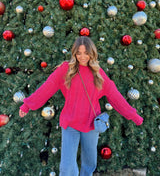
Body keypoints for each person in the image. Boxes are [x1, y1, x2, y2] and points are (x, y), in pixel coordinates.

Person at [19, 36, 143, 176]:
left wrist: (133, 115)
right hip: (70, 123)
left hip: (91, 125)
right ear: (74, 54)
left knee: (89, 165)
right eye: (79, 53)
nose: (82, 57)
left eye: (86, 53)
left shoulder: (98, 73)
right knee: (67, 168)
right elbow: (46, 88)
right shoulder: (66, 69)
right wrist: (27, 105)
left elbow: (115, 97)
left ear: (92, 53)